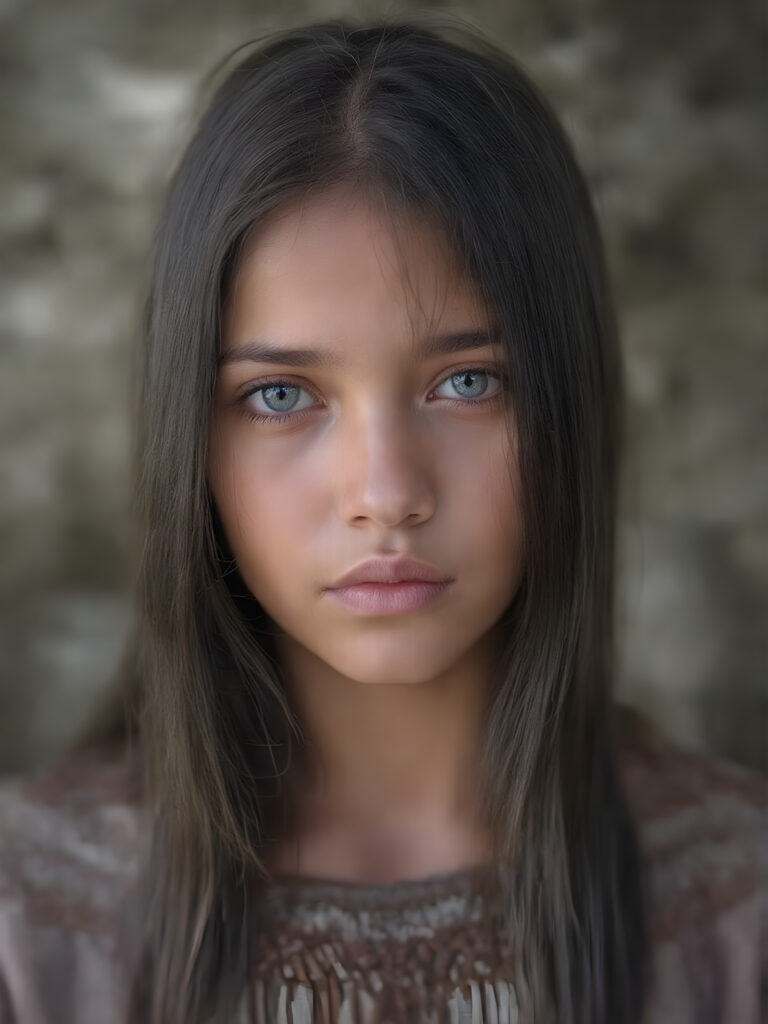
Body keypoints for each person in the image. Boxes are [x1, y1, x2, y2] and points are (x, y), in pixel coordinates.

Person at [0, 13, 764, 1024]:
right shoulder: (30, 932)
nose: (386, 491)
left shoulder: (738, 912)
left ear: (570, 401)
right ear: (190, 440)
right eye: (280, 395)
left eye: (468, 381)